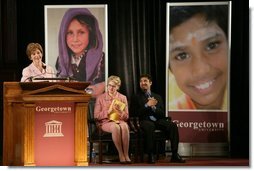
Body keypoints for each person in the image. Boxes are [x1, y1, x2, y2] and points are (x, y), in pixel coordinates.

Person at [168, 5, 229, 110]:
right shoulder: (170, 113)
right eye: (182, 56)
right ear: (170, 69)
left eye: (212, 46)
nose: (201, 70)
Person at [130, 74, 185, 163]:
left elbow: (162, 114)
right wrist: (147, 105)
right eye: (141, 81)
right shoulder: (136, 97)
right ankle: (151, 154)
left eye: (145, 81)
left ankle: (174, 154)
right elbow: (134, 113)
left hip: (157, 120)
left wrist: (154, 108)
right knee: (150, 126)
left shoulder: (158, 96)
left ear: (150, 83)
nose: (143, 83)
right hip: (144, 120)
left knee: (172, 125)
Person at [55, 8, 105, 97]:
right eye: (70, 33)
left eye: (81, 32)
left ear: (90, 34)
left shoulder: (102, 59)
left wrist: (103, 86)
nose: (75, 39)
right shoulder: (60, 60)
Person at [94, 75, 131, 164]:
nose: (111, 88)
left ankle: (126, 154)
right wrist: (108, 111)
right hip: (106, 122)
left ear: (118, 87)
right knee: (115, 127)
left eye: (113, 86)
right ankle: (121, 154)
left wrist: (120, 112)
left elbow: (126, 116)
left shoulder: (123, 98)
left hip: (120, 120)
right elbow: (96, 116)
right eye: (109, 85)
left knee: (125, 126)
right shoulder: (100, 98)